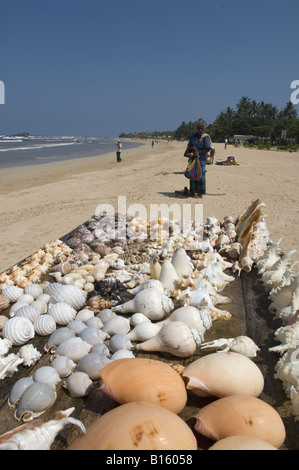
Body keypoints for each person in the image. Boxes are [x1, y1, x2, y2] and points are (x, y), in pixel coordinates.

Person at [184, 121, 211, 198]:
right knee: (192, 175)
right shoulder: (193, 136)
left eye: (201, 128)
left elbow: (207, 149)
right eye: (198, 128)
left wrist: (198, 153)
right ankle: (192, 191)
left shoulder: (205, 137)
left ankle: (200, 192)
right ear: (196, 128)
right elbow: (189, 146)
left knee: (201, 175)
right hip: (192, 160)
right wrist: (192, 149)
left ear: (203, 129)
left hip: (201, 160)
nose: (199, 130)